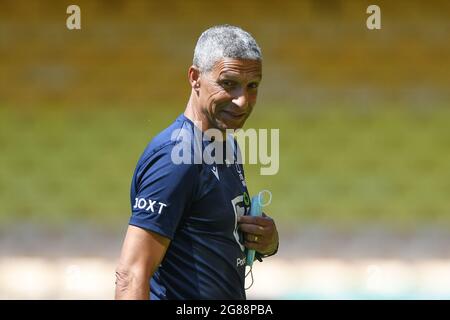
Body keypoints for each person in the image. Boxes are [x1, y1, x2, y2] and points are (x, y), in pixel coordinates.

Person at [115, 25, 279, 300]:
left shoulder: (225, 143)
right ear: (195, 78)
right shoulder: (175, 158)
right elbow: (131, 274)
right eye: (228, 83)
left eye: (252, 86)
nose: (242, 101)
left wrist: (266, 241)